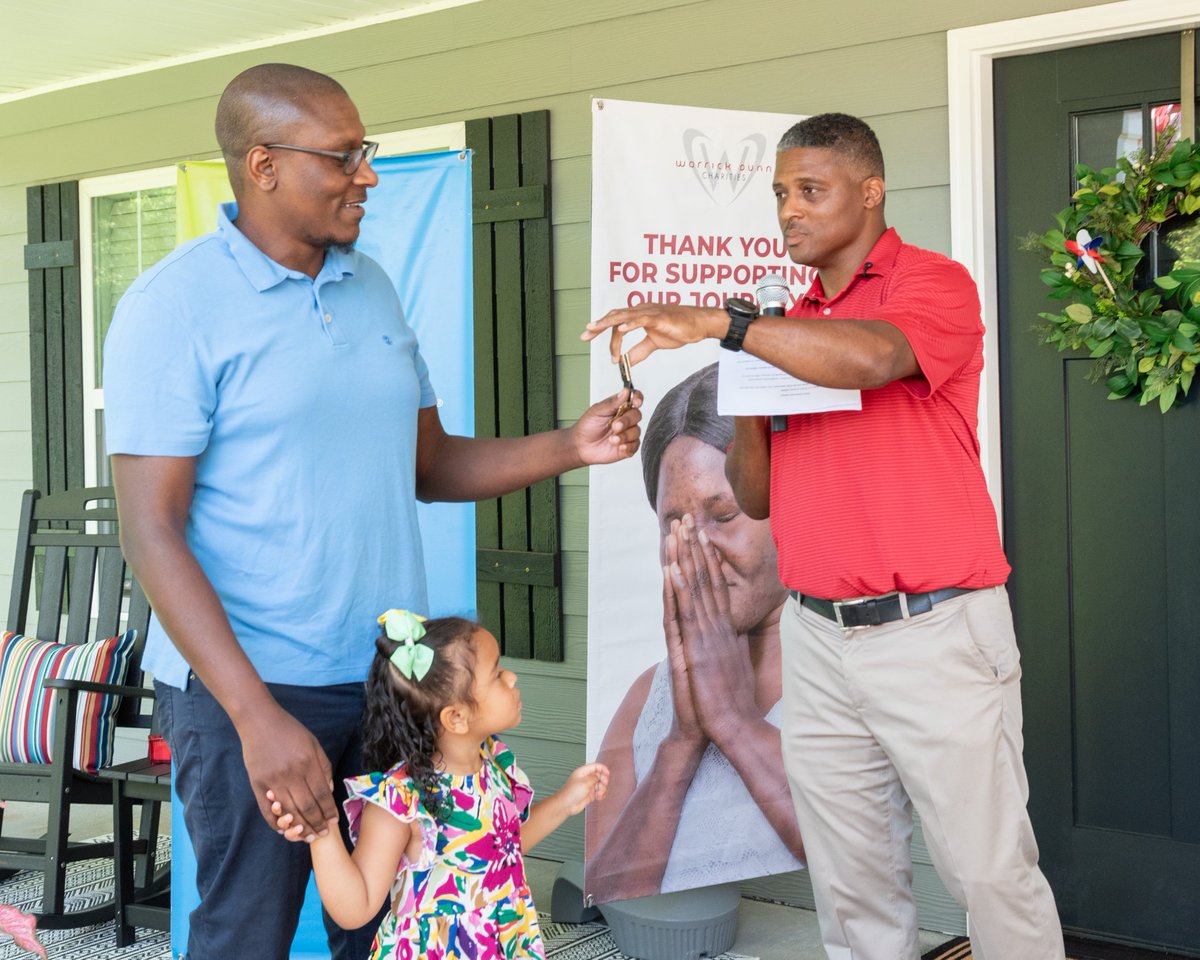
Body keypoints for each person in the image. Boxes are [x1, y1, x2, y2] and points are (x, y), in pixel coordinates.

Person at [102, 63, 640, 960]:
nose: (368, 174)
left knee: (391, 930)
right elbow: (150, 528)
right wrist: (255, 718)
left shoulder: (373, 286)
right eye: (344, 156)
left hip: (393, 684)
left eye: (368, 151)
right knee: (246, 935)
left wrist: (568, 445)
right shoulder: (173, 307)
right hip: (257, 689)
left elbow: (429, 463)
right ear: (263, 164)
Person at [582, 113, 1064, 960]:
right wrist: (754, 401)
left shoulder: (933, 284)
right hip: (817, 636)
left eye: (811, 191)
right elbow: (758, 498)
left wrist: (725, 328)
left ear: (871, 192)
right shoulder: (784, 323)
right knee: (852, 880)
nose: (789, 211)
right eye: (779, 195)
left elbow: (874, 358)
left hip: (934, 630)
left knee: (988, 871)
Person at [270, 610, 608, 960]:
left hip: (502, 943)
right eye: (496, 674)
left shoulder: (494, 763)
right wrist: (321, 830)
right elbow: (358, 906)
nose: (512, 677)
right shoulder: (403, 800)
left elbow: (503, 850)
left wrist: (566, 801)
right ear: (457, 718)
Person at [585, 364, 803, 902]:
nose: (697, 550)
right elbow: (603, 890)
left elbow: (856, 858)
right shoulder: (648, 699)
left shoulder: (847, 675)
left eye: (724, 514)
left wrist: (733, 721)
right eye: (673, 524)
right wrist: (682, 743)